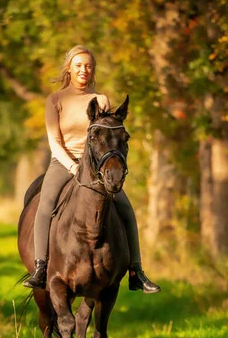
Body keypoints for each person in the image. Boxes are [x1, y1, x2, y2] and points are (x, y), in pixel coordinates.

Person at [24, 45, 161, 294]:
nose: (83, 70)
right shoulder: (55, 100)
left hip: (96, 165)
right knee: (45, 206)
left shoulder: (101, 100)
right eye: (78, 65)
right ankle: (40, 267)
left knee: (126, 209)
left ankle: (136, 271)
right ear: (69, 68)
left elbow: (106, 138)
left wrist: (95, 166)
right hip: (64, 162)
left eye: (88, 66)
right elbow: (54, 142)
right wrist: (73, 166)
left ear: (92, 69)